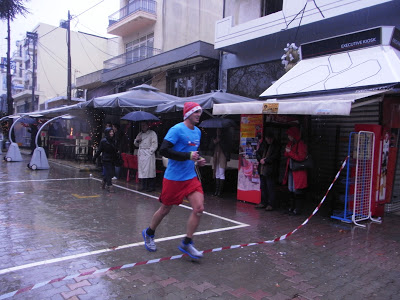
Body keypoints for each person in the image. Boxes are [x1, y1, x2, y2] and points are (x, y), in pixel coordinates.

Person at [142, 102, 206, 259]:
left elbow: (192, 153)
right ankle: (149, 233)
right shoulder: (176, 130)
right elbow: (164, 150)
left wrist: (198, 160)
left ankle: (187, 242)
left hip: (190, 178)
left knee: (198, 209)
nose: (199, 114)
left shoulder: (197, 132)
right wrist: (187, 156)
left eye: (200, 112)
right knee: (165, 209)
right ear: (188, 114)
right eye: (196, 112)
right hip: (174, 179)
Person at [282, 126, 308, 215]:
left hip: (298, 170)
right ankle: (291, 207)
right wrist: (288, 152)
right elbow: (286, 154)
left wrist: (290, 152)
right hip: (291, 169)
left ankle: (297, 209)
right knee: (291, 188)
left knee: (297, 189)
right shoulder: (291, 143)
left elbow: (301, 157)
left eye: (289, 135)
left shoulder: (300, 144)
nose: (288, 136)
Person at [255, 130, 280, 211]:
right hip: (262, 169)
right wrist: (260, 159)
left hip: (271, 170)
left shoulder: (276, 145)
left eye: (270, 139)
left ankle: (271, 204)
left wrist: (266, 160)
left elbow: (275, 156)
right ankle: (263, 202)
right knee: (263, 187)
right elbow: (258, 153)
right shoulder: (263, 144)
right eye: (267, 138)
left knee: (270, 188)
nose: (268, 140)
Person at [134, 122, 158, 192]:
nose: (143, 126)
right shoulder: (140, 134)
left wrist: (150, 152)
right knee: (142, 171)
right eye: (142, 125)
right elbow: (135, 144)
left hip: (148, 154)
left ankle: (151, 186)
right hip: (141, 154)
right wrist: (137, 141)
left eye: (144, 125)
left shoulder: (152, 133)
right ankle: (143, 186)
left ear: (148, 126)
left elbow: (155, 144)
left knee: (150, 171)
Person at [92, 127, 118, 193]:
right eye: (110, 132)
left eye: (112, 132)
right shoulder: (103, 141)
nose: (112, 133)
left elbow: (115, 150)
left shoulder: (114, 140)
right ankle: (109, 185)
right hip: (106, 159)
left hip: (112, 158)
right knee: (108, 172)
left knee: (110, 173)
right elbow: (99, 150)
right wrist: (95, 157)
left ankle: (104, 181)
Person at [211, 128, 231, 197]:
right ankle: (216, 191)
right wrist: (215, 142)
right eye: (217, 130)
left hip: (222, 156)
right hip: (216, 156)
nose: (218, 132)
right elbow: (210, 147)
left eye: (219, 130)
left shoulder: (225, 138)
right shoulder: (214, 137)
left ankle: (220, 191)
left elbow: (226, 147)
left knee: (221, 172)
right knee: (216, 172)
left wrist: (219, 141)